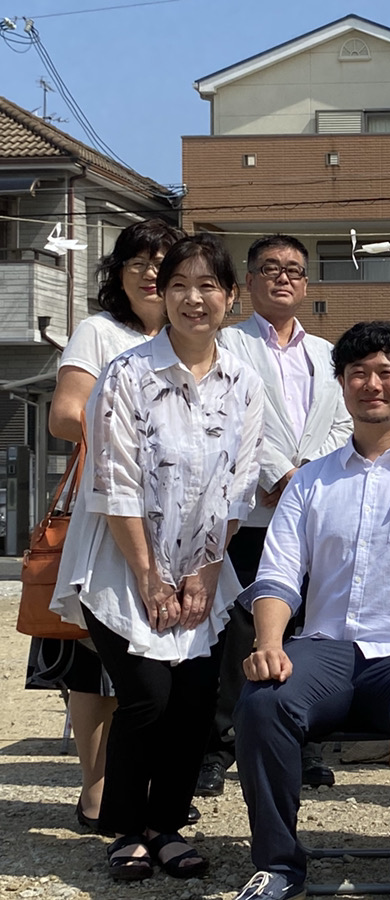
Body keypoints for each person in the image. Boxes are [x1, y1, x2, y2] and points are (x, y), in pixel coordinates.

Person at [231, 321, 390, 900]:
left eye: (385, 373)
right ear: (342, 385)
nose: (371, 385)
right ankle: (277, 865)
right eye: (357, 374)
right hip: (324, 650)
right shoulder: (311, 482)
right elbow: (277, 574)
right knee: (263, 700)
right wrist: (269, 643)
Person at [50, 233, 265, 881]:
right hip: (123, 565)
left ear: (230, 298)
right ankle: (124, 828)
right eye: (179, 286)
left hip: (202, 566)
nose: (193, 299)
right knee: (144, 698)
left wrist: (201, 573)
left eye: (208, 287)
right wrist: (150, 576)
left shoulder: (244, 383)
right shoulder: (127, 373)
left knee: (195, 704)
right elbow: (114, 480)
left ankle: (164, 826)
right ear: (161, 294)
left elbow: (239, 485)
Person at [27, 219, 185, 836]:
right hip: (107, 515)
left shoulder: (191, 341)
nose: (151, 272)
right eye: (137, 262)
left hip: (176, 524)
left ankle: (140, 788)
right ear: (118, 274)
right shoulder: (101, 332)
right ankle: (95, 792)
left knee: (155, 662)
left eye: (165, 262)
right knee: (99, 661)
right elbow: (66, 417)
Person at [196, 234, 352, 798]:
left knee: (305, 625)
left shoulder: (328, 354)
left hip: (312, 508)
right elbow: (231, 420)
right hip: (253, 512)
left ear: (307, 284)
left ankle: (298, 738)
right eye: (270, 269)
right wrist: (279, 475)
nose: (283, 278)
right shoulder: (227, 345)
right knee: (239, 627)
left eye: (294, 270)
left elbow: (341, 424)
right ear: (250, 281)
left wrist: (308, 475)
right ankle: (216, 747)